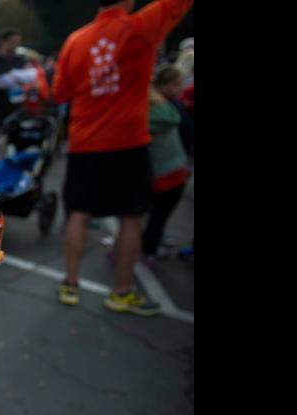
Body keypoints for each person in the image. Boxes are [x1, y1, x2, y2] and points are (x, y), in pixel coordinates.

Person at [51, 0, 193, 315]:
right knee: (131, 216)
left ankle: (70, 284)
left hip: (85, 141)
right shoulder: (140, 26)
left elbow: (60, 93)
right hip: (127, 142)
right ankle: (121, 291)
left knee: (79, 211)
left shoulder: (76, 40)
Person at [142, 65, 190, 265]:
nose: (180, 88)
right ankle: (150, 246)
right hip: (174, 168)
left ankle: (150, 245)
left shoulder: (147, 110)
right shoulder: (171, 108)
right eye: (176, 84)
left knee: (155, 214)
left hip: (159, 169)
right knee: (159, 214)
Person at [0, 29, 35, 142]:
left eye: (17, 43)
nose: (15, 46)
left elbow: (30, 76)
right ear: (3, 42)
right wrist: (18, 77)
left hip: (17, 108)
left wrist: (14, 77)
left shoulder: (19, 60)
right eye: (12, 42)